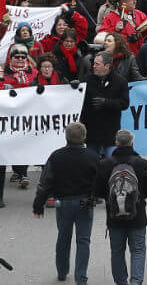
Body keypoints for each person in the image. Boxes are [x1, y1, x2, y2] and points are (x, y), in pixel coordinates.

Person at [32, 121, 102, 284]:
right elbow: (100, 182)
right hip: (85, 202)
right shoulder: (92, 156)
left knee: (63, 237)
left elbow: (46, 182)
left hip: (62, 202)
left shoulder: (56, 156)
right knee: (83, 240)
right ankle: (81, 277)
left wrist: (38, 204)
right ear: (84, 137)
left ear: (66, 136)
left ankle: (62, 271)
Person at [93, 129, 147, 285]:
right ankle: (136, 282)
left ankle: (121, 282)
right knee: (137, 250)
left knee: (117, 251)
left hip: (114, 216)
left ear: (116, 143)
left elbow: (97, 191)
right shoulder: (141, 163)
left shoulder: (105, 164)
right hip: (138, 216)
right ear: (132, 143)